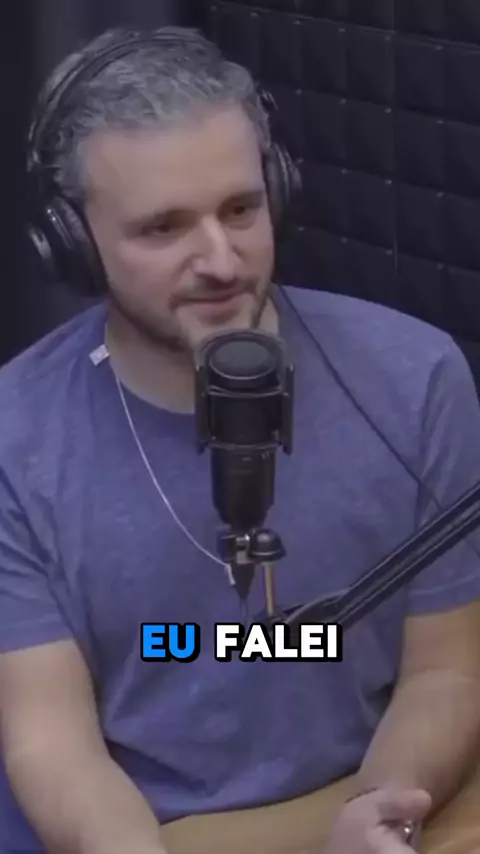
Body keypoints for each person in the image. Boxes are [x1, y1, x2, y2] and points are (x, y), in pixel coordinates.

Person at [1, 25, 480, 854]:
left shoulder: (416, 377)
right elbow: (51, 741)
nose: (222, 261)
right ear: (73, 243)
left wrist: (378, 816)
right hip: (157, 832)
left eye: (240, 209)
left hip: (367, 802)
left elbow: (447, 670)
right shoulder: (18, 436)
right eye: (163, 228)